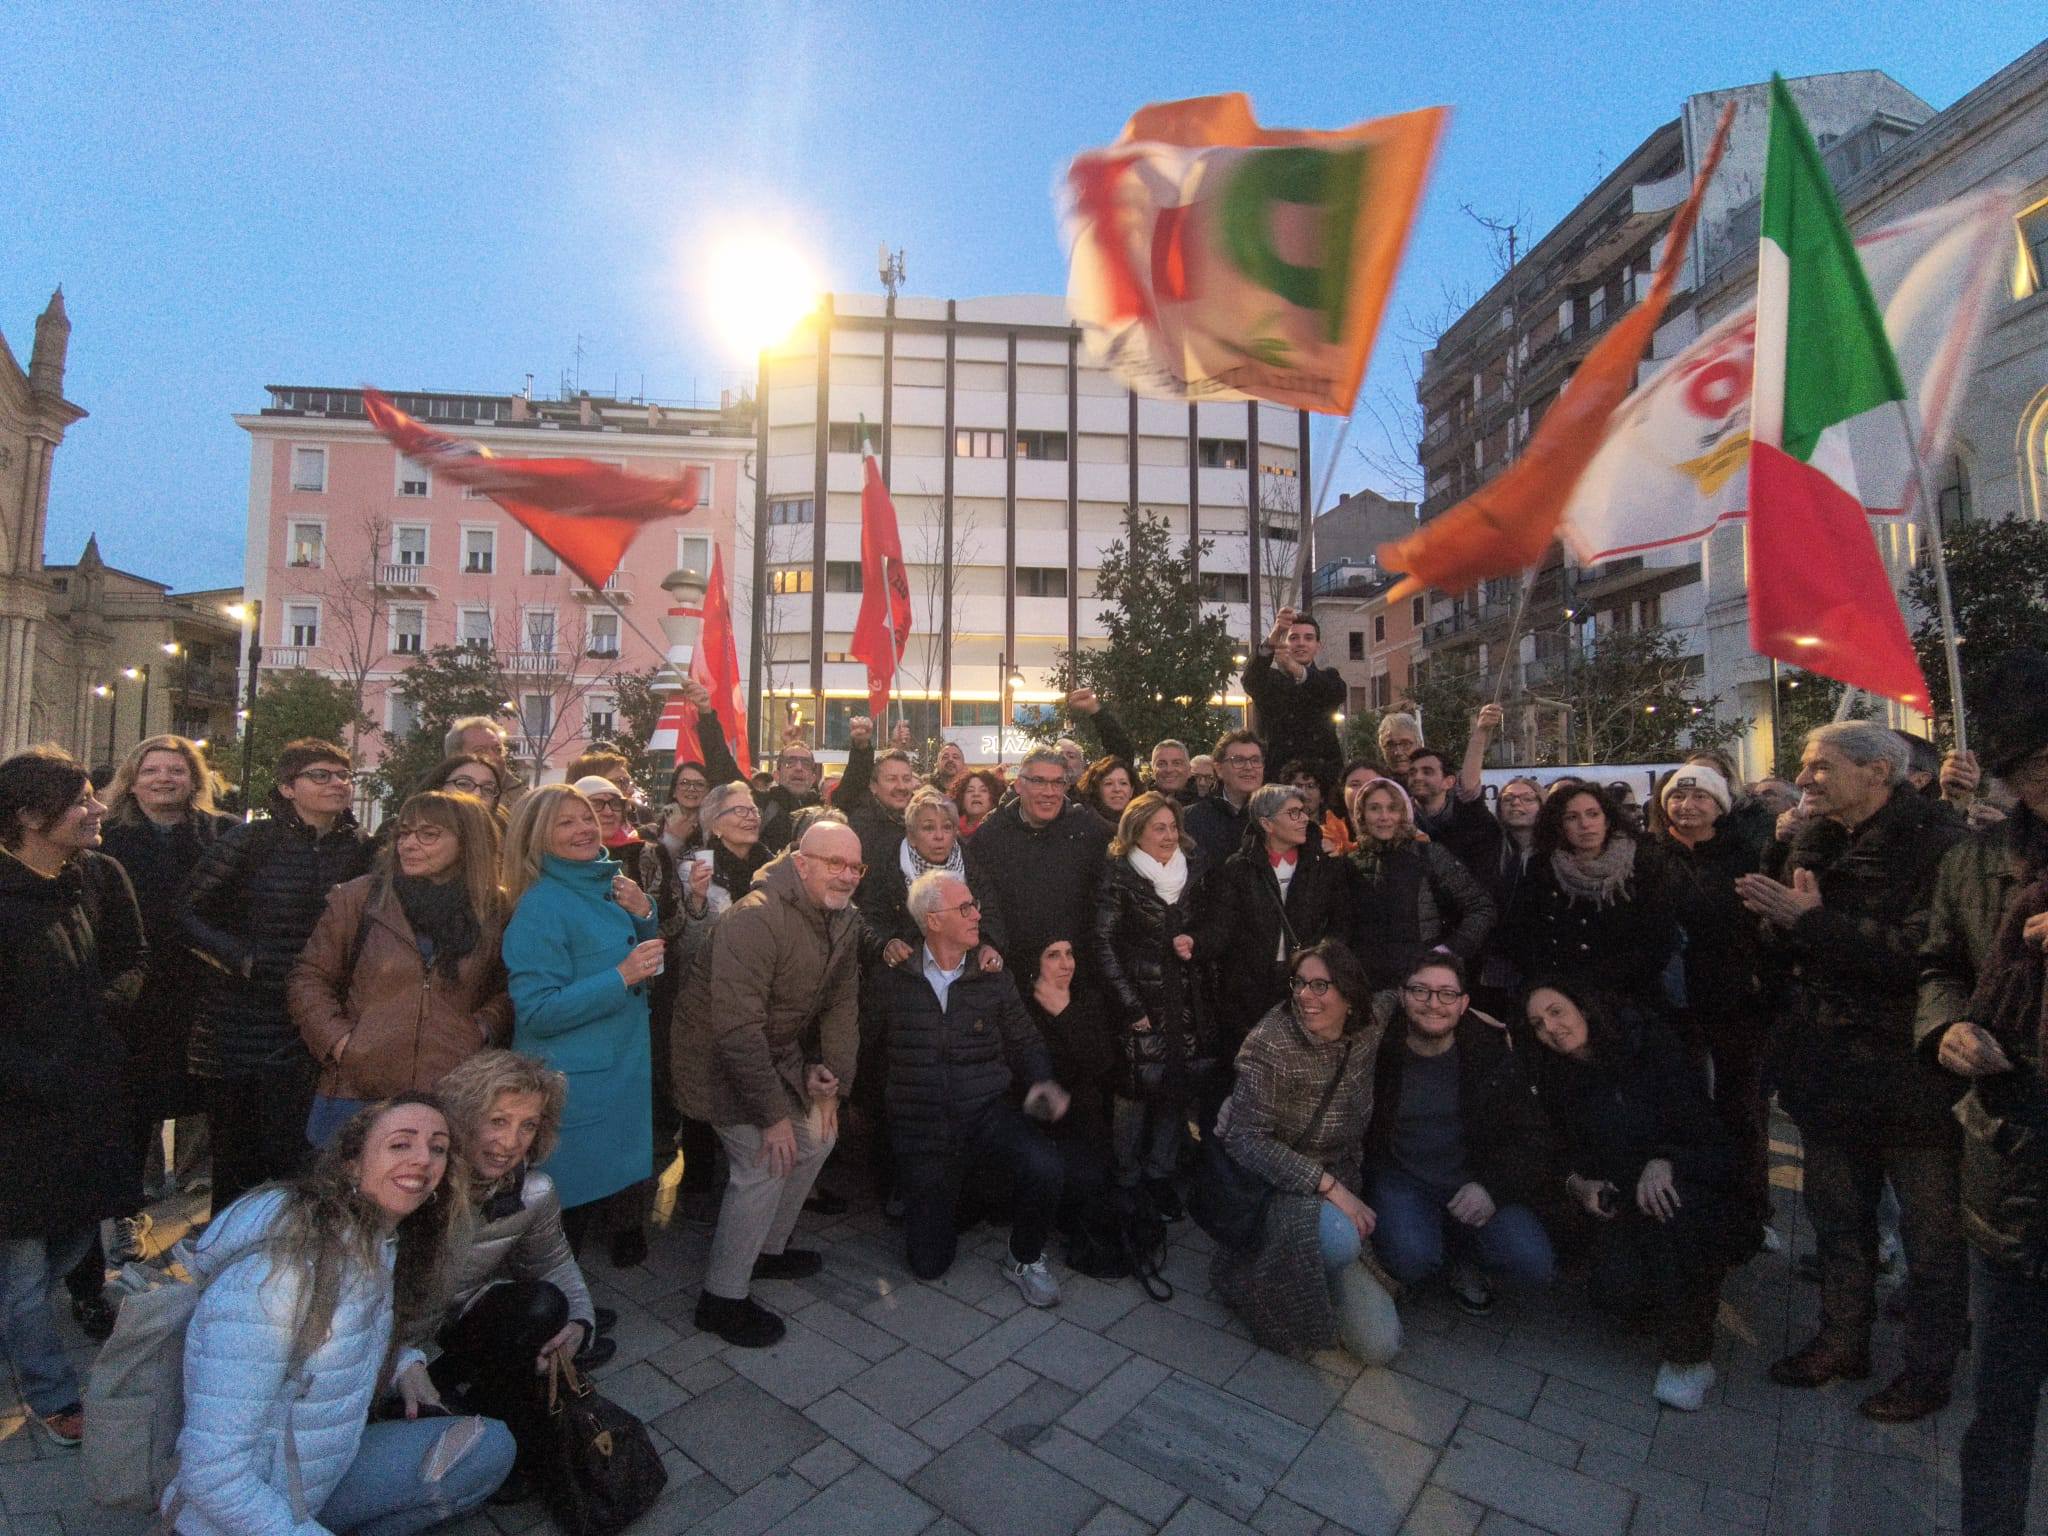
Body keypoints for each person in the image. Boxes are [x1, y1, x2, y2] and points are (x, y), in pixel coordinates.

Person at [1737, 722, 1969, 1423]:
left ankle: (1927, 1372)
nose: (1805, 780)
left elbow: (1929, 954)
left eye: (1820, 766)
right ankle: (1841, 1341)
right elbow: (1782, 935)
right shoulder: (1815, 838)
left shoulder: (1942, 843)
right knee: (1837, 1222)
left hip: (1913, 1077)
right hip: (1827, 1066)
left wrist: (1812, 924)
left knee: (1932, 1242)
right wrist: (1780, 923)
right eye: (1804, 768)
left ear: (1878, 772)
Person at [164, 1096, 516, 1533]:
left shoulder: (373, 1241)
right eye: (401, 1144)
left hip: (317, 1478)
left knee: (489, 1449)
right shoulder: (275, 1282)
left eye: (437, 1147)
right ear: (352, 1164)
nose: (423, 1159)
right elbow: (212, 1476)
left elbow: (347, 1333)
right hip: (233, 1518)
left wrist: (404, 1364)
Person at [1916, 648, 2048, 1536]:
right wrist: (1946, 1025)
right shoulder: (1976, 863)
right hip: (2014, 1168)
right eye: (2036, 770)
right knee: (2000, 1412)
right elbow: (1939, 962)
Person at [672, 821, 863, 1347]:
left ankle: (767, 1252)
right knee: (764, 1161)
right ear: (801, 864)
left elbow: (842, 1007)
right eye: (834, 863)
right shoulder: (754, 919)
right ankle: (721, 1298)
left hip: (774, 1054)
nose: (846, 876)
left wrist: (831, 1081)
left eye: (854, 867)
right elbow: (734, 1030)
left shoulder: (845, 919)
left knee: (819, 1136)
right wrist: (773, 1115)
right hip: (715, 1059)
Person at [0, 748, 144, 1444]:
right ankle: (51, 1393)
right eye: (81, 798)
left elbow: (131, 960)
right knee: (24, 1267)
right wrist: (40, 1071)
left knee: (70, 1243)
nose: (97, 809)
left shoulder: (91, 879)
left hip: (87, 1103)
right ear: (29, 815)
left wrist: (100, 1021)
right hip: (18, 1115)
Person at [1527, 979, 1739, 1411]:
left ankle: (1689, 1357)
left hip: (1689, 1185)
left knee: (1668, 1210)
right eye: (1537, 1024)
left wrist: (1666, 1160)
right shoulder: (1557, 1080)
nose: (1551, 1027)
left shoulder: (1648, 1047)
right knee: (1614, 1291)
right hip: (1622, 1199)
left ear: (1582, 1006)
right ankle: (1661, 1299)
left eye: (1556, 1011)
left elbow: (1709, 1133)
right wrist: (1579, 1185)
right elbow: (1555, 1156)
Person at [180, 738, 374, 1210]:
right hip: (243, 1020)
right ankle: (228, 1267)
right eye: (320, 775)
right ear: (288, 788)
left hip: (318, 1021)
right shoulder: (250, 841)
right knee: (237, 1163)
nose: (337, 784)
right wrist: (240, 958)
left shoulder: (362, 851)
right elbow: (186, 914)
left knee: (307, 1159)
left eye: (343, 775)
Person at [875, 871, 1071, 1302]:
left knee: (1045, 1165)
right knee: (928, 1265)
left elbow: (1025, 1038)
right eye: (964, 908)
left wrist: (1042, 1081)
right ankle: (949, 1197)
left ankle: (1024, 1257)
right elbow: (867, 1047)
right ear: (932, 920)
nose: (977, 915)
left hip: (985, 1113)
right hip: (923, 1128)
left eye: (975, 905)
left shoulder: (992, 975)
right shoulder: (892, 979)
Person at [432, 1052, 609, 1505]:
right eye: (497, 1120)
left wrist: (581, 1327)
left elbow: (553, 1264)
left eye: (527, 1125)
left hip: (462, 1326)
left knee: (544, 1305)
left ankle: (493, 1428)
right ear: (462, 1117)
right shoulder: (417, 1183)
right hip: (398, 1349)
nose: (510, 1142)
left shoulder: (532, 1192)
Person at [1211, 941, 1399, 1364]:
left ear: (1350, 997)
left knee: (1380, 1348)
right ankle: (1250, 1279)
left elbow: (1407, 997)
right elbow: (1245, 1138)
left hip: (1341, 1176)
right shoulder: (1272, 1042)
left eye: (1320, 985)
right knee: (1338, 1241)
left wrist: (1474, 1017)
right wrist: (1329, 1187)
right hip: (1281, 1185)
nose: (1304, 996)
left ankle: (1315, 1273)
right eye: (1299, 983)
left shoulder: (1369, 1026)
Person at [87, 736, 232, 1282]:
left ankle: (193, 1207)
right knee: (133, 1106)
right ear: (134, 777)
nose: (165, 779)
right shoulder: (109, 838)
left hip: (200, 986)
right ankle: (133, 1206)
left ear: (194, 778)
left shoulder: (221, 835)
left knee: (200, 1098)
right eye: (153, 771)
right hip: (134, 990)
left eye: (176, 770)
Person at [290, 790, 511, 1146]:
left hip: (450, 1088)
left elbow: (508, 988)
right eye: (404, 833)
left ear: (468, 842)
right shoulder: (360, 898)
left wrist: (481, 1029)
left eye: (428, 834)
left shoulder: (495, 910)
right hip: (356, 1089)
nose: (409, 844)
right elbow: (309, 978)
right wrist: (341, 1043)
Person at [500, 784, 663, 1258]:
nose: (584, 828)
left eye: (586, 817)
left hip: (615, 1074)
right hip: (576, 1087)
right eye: (565, 822)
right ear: (536, 836)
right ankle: (559, 1318)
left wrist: (645, 913)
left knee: (588, 1210)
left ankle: (573, 1312)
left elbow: (636, 959)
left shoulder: (603, 886)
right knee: (562, 1218)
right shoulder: (541, 905)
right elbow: (537, 1010)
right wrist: (620, 975)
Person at [1367, 956, 1556, 1314]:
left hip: (1474, 1180)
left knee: (1532, 1262)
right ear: (1402, 996)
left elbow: (1533, 1137)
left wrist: (1492, 1187)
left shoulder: (1489, 1053)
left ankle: (1461, 1255)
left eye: (1447, 994)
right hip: (1403, 1179)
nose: (1434, 1003)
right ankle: (1433, 1250)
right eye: (1420, 991)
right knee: (1411, 1257)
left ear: (1464, 1003)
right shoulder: (1378, 1048)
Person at [1655, 764, 1770, 1250]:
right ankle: (1688, 1206)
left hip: (1735, 1003)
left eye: (1699, 797)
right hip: (1672, 1006)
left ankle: (1749, 1213)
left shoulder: (1749, 855)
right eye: (1678, 799)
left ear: (1719, 805)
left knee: (1742, 1112)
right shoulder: (1651, 856)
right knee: (1681, 1106)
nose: (1687, 806)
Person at [1093, 792, 1208, 1220]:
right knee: (1134, 1092)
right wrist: (1129, 1004)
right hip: (1140, 1000)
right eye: (1158, 827)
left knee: (1174, 1089)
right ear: (1135, 831)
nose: (1168, 834)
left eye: (1173, 826)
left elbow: (1208, 925)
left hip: (1185, 1000)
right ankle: (1126, 1178)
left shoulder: (1194, 869)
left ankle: (1160, 1176)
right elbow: (1102, 942)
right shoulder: (1119, 875)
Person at [1198, 783, 1349, 1100]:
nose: (1303, 819)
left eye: (1304, 812)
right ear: (1267, 823)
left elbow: (1339, 921)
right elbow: (1220, 932)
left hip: (1306, 985)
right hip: (1250, 992)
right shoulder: (1238, 869)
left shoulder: (1322, 865)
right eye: (1293, 813)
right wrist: (1192, 944)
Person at [1505, 780, 1679, 1010]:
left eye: (1592, 814)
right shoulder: (1542, 868)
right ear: (1560, 825)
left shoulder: (1643, 863)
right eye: (1572, 817)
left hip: (1631, 999)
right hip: (1564, 996)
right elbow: (1526, 934)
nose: (1585, 824)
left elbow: (1659, 939)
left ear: (1607, 820)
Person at [1344, 775, 1496, 988]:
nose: (1384, 817)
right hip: (1367, 986)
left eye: (1392, 808)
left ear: (1404, 813)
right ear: (1361, 814)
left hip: (1422, 982)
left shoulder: (1430, 855)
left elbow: (1481, 907)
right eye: (1375, 808)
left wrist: (1449, 950)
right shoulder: (1348, 863)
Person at [974, 745, 1112, 977]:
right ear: (1019, 785)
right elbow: (980, 902)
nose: (1049, 791)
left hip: (1074, 977)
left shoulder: (1087, 831)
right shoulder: (990, 836)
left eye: (1057, 782)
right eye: (1039, 781)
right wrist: (988, 944)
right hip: (1010, 975)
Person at [1023, 937, 1117, 1263]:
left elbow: (1102, 1062)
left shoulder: (1085, 999)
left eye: (1070, 953)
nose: (1066, 964)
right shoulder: (1021, 1006)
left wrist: (1065, 1014)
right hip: (1033, 1117)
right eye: (1053, 955)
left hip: (1080, 1117)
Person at [1243, 608, 1345, 778]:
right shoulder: (1269, 681)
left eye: (1308, 638)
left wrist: (1296, 669)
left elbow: (1334, 693)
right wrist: (1274, 636)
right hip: (1277, 776)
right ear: (1284, 643)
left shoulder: (1329, 678)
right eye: (1293, 638)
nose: (1301, 643)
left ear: (1318, 646)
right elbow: (1250, 680)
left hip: (1321, 778)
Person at [1404, 730, 1503, 875]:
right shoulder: (1399, 821)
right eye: (1412, 772)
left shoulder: (1471, 819)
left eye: (1427, 772)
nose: (1417, 777)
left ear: (1448, 782)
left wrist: (1481, 730)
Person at [1185, 730, 1264, 873]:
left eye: (1255, 760)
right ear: (1219, 769)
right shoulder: (1190, 818)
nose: (1249, 767)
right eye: (1238, 760)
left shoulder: (1276, 814)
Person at [700, 779, 771, 903]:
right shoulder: (701, 868)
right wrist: (697, 899)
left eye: (754, 810)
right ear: (715, 826)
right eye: (740, 811)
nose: (751, 817)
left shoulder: (772, 866)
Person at [445, 715, 525, 806]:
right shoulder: (435, 804)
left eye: (498, 750)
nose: (494, 757)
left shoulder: (523, 800)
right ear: (455, 757)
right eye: (480, 751)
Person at [416, 753, 509, 819]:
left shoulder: (508, 842)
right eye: (463, 784)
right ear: (439, 788)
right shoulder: (411, 839)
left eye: (488, 789)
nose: (477, 794)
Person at [570, 773, 642, 853]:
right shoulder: (561, 857)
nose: (608, 812)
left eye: (615, 804)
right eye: (596, 804)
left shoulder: (641, 853)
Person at [1076, 755, 1137, 830]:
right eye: (1108, 783)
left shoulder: (1142, 826)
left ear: (1131, 791)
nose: (1117, 789)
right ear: (1096, 789)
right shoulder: (1082, 825)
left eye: (1123, 783)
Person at [952, 768, 1004, 838]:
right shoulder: (950, 832)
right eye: (970, 790)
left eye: (983, 790)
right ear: (961, 798)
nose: (976, 794)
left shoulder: (1002, 832)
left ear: (993, 797)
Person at [1147, 739, 1198, 805]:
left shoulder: (1206, 809)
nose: (1169, 770)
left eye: (1177, 763)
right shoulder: (1140, 807)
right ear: (1152, 771)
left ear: (1189, 770)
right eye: (1162, 764)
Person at [1377, 713, 1422, 779]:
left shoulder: (1436, 784)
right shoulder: (1376, 786)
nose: (1398, 752)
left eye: (1405, 744)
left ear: (1419, 745)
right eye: (1390, 745)